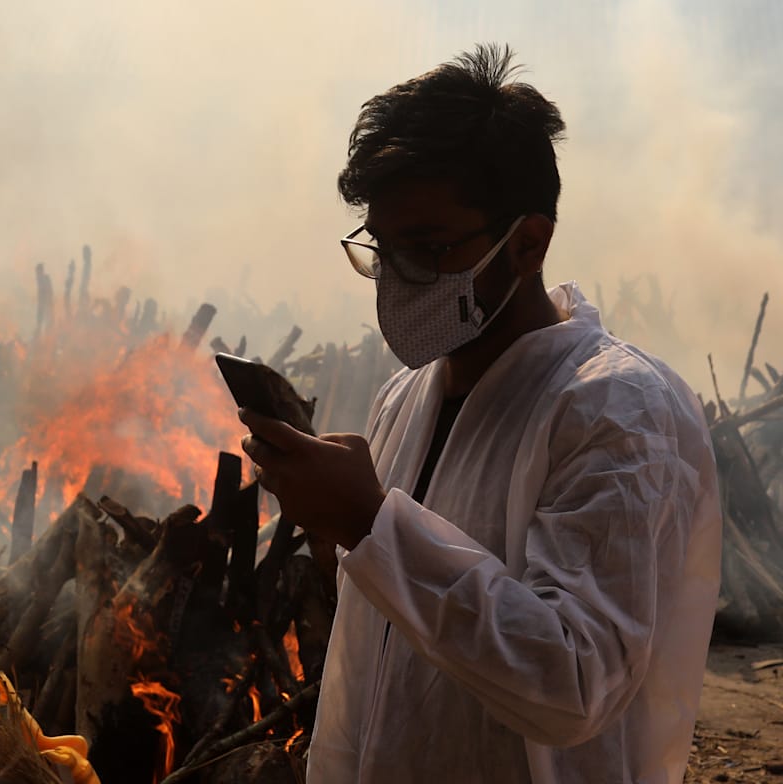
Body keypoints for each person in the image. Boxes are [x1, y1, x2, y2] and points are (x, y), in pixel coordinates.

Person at [239, 45, 720, 783]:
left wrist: (371, 524)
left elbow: (574, 683)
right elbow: (367, 674)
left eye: (429, 248)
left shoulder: (614, 409)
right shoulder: (406, 398)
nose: (400, 280)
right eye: (384, 250)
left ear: (529, 242)